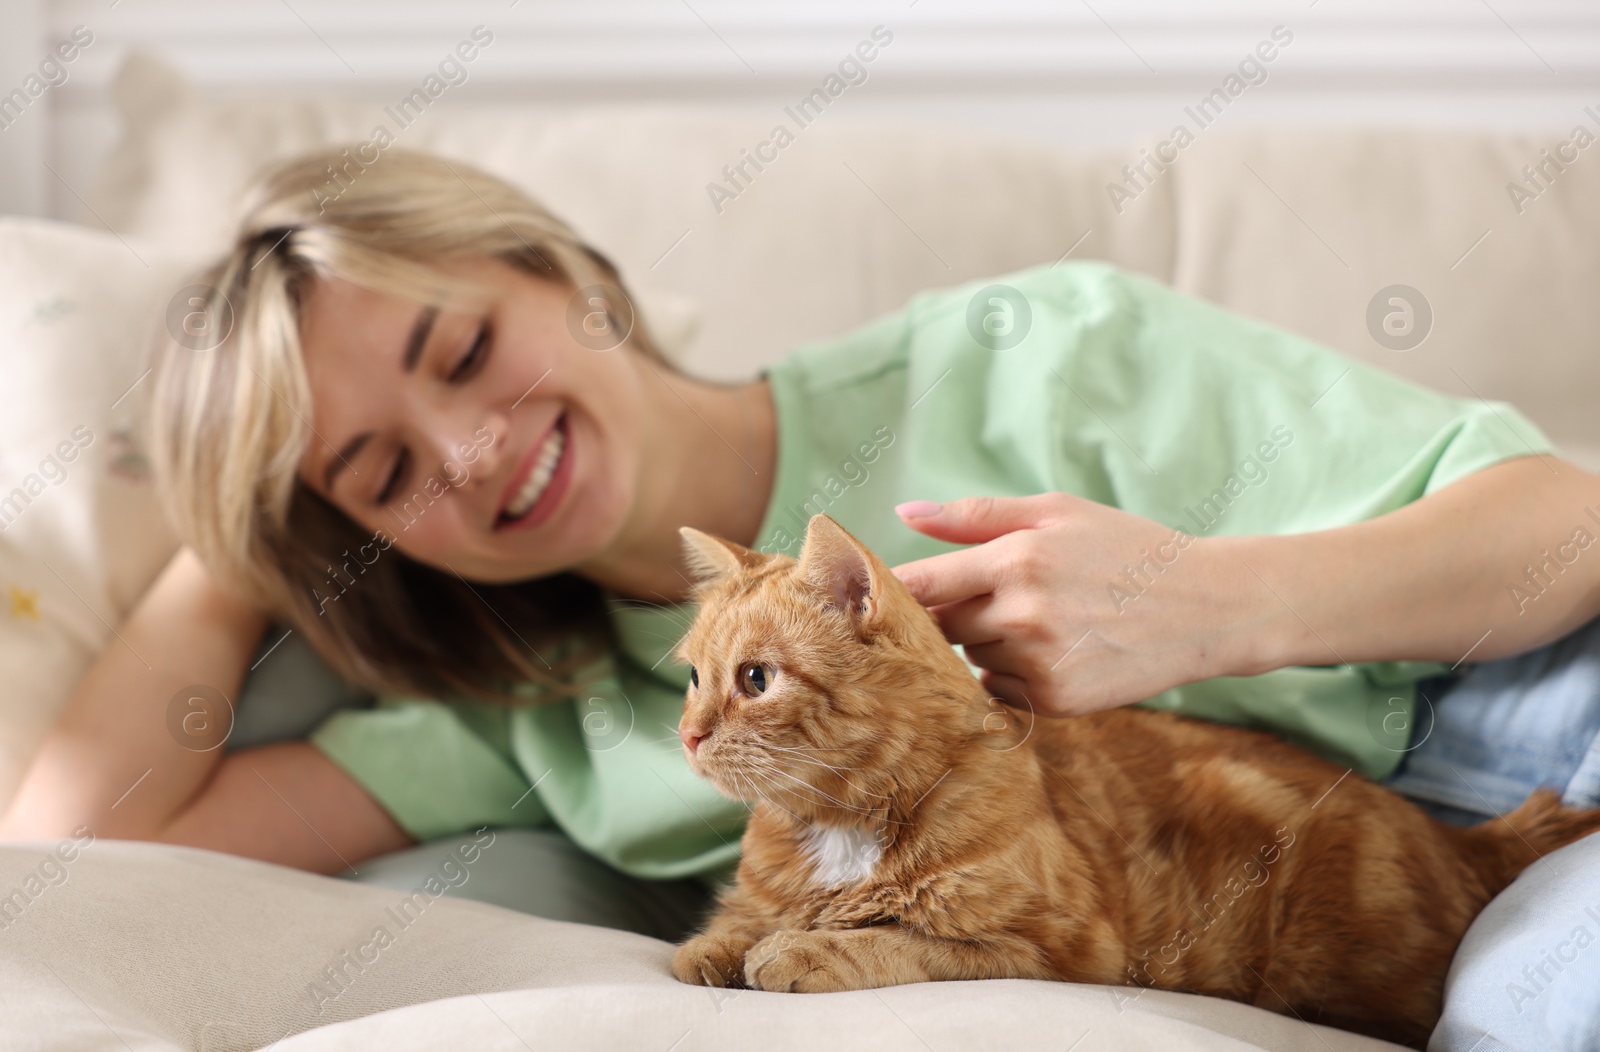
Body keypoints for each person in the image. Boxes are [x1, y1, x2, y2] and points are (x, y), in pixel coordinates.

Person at [2, 147, 1596, 1046]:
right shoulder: (542, 716)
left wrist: (1218, 603)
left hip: (1526, 713)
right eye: (382, 470)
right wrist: (242, 548)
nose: (476, 452)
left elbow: (1568, 527)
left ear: (563, 274)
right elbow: (69, 862)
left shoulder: (1018, 350)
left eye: (467, 351)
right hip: (1374, 936)